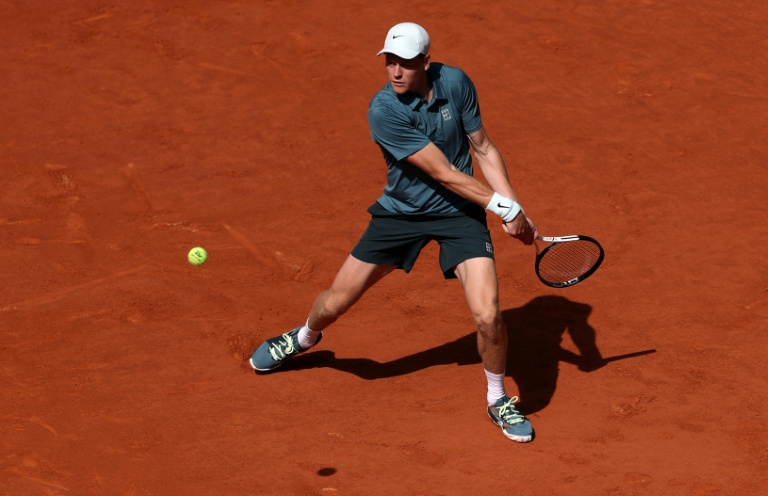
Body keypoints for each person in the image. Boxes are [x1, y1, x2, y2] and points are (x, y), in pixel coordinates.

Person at [250, 22, 538, 443]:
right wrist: (502, 206)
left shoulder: (455, 82)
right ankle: (303, 336)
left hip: (459, 213)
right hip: (401, 214)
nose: (395, 72)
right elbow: (442, 172)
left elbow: (483, 148)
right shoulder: (383, 110)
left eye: (405, 63)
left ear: (425, 62)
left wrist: (516, 208)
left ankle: (498, 399)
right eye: (389, 62)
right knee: (336, 301)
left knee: (489, 314)